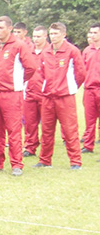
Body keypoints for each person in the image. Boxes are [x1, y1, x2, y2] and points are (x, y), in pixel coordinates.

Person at [0, 16, 36, 175]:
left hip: (12, 94)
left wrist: (18, 82)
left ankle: (17, 164)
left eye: (1, 28)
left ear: (10, 28)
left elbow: (31, 67)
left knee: (13, 130)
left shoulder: (19, 45)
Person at [37, 22, 86, 169]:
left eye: (56, 34)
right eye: (51, 34)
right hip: (48, 97)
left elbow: (81, 73)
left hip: (65, 97)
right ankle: (45, 160)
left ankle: (75, 161)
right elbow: (40, 73)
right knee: (46, 130)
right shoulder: (45, 52)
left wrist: (70, 87)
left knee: (70, 130)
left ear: (64, 35)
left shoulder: (72, 51)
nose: (53, 37)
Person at [23, 26, 48, 157]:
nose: (36, 39)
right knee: (29, 122)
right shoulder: (28, 52)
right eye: (34, 36)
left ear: (45, 36)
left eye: (39, 36)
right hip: (30, 92)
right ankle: (30, 147)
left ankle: (46, 149)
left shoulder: (49, 52)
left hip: (45, 94)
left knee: (46, 124)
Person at [80, 23, 100, 153]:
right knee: (90, 118)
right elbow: (82, 69)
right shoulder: (87, 51)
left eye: (95, 33)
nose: (92, 35)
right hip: (89, 89)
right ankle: (88, 145)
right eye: (91, 33)